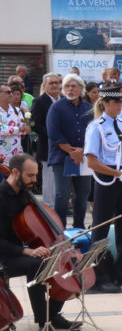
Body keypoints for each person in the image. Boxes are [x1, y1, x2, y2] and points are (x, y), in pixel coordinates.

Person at [0, 153, 77, 331]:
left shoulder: (26, 195)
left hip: (21, 249)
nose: (34, 180)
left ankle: (53, 314)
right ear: (15, 172)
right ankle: (44, 324)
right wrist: (26, 251)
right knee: (38, 264)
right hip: (5, 256)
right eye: (30, 176)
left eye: (36, 175)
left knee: (64, 262)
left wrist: (64, 244)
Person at [84, 86, 122, 293]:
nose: (120, 105)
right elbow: (91, 161)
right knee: (101, 229)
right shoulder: (96, 127)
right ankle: (100, 276)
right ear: (106, 104)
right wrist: (119, 174)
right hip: (107, 181)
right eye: (116, 102)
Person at [46, 73, 93, 228]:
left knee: (83, 194)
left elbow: (93, 132)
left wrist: (82, 151)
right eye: (67, 86)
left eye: (73, 86)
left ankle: (79, 228)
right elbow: (54, 133)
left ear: (81, 88)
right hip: (62, 157)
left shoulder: (88, 107)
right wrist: (72, 152)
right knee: (62, 194)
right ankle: (60, 229)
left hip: (83, 157)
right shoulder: (56, 107)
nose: (70, 89)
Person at [31, 72, 62, 208]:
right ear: (44, 86)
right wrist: (51, 134)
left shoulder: (64, 100)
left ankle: (61, 205)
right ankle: (49, 207)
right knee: (49, 179)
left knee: (62, 179)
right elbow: (34, 123)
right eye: (51, 83)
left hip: (65, 146)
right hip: (47, 146)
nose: (54, 85)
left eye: (56, 83)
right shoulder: (39, 101)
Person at [0, 82, 30, 167]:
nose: (12, 95)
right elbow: (2, 130)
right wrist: (19, 129)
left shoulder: (16, 110)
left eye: (12, 92)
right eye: (8, 92)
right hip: (2, 159)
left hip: (16, 157)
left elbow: (27, 129)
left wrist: (28, 117)